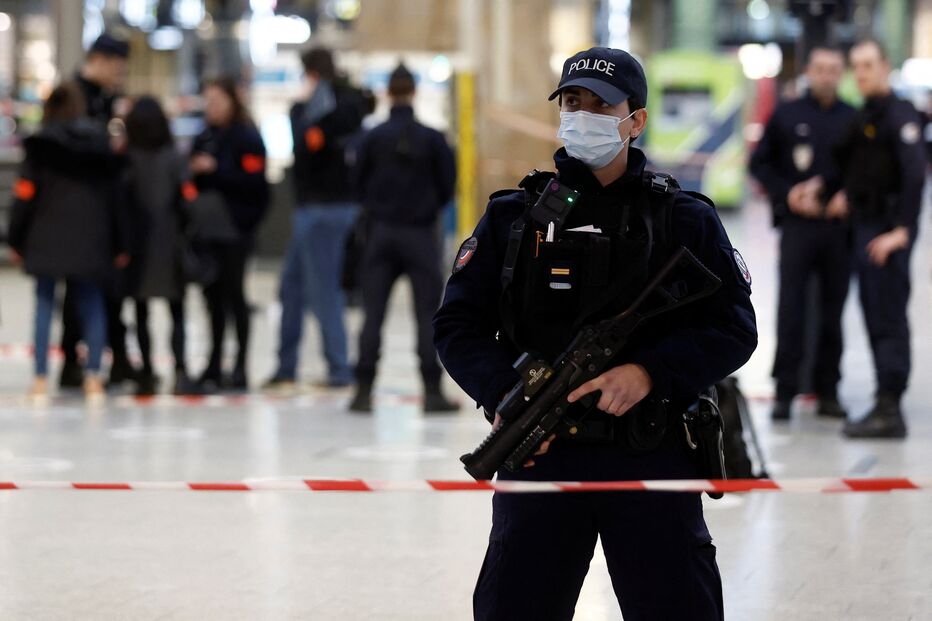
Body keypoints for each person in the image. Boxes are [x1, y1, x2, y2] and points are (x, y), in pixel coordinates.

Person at [433, 47, 757, 620]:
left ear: (636, 121)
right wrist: (504, 392)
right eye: (573, 102)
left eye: (601, 106)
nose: (582, 115)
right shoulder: (515, 217)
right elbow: (456, 324)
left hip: (650, 450)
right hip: (541, 454)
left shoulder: (683, 218)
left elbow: (734, 325)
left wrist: (650, 371)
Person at [749, 47, 856, 421]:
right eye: (820, 68)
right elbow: (759, 163)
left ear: (841, 74)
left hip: (838, 230)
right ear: (809, 71)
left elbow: (866, 170)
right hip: (797, 228)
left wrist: (849, 195)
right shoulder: (787, 114)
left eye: (834, 70)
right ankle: (785, 390)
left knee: (833, 311)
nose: (826, 75)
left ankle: (828, 390)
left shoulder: (852, 119)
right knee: (791, 309)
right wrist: (787, 194)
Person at [829, 40, 927, 439]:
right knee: (873, 315)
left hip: (887, 232)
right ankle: (884, 398)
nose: (862, 73)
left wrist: (901, 231)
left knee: (887, 318)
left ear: (886, 66)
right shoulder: (865, 115)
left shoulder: (900, 115)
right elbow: (854, 169)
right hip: (864, 228)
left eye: (869, 65)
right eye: (857, 66)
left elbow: (915, 175)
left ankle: (890, 408)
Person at [347, 64, 458, 413]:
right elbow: (447, 187)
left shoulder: (371, 137)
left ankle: (363, 391)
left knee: (373, 313)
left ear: (387, 93)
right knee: (427, 314)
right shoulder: (433, 138)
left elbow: (357, 183)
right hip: (420, 235)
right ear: (414, 92)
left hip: (380, 233)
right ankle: (432, 391)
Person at [7, 82, 127, 401]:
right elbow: (115, 198)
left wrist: (15, 238)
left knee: (45, 304)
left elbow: (25, 196)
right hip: (91, 235)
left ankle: (41, 378)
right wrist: (120, 242)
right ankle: (93, 378)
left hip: (45, 234)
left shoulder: (41, 146)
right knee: (91, 304)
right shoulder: (99, 144)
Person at [264, 47, 365, 391]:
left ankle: (339, 369)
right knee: (291, 287)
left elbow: (308, 148)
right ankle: (285, 366)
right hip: (319, 208)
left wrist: (306, 113)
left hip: (324, 209)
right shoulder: (349, 103)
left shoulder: (326, 104)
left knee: (323, 290)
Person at [61, 33, 138, 390]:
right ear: (103, 60)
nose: (120, 76)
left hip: (107, 212)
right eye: (118, 68)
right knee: (79, 291)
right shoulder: (73, 96)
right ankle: (72, 362)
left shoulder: (108, 101)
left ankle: (116, 359)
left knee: (109, 290)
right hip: (79, 211)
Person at [190, 77, 270, 392]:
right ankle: (213, 364)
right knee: (212, 299)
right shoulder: (204, 137)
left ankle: (239, 367)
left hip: (236, 231)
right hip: (207, 232)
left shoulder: (247, 138)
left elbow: (255, 184)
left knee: (235, 297)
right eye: (207, 102)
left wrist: (217, 171)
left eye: (217, 102)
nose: (211, 108)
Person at [122, 96, 197, 395]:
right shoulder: (174, 157)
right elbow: (187, 200)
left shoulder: (128, 159)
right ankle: (180, 369)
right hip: (170, 244)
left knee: (141, 311)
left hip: (138, 245)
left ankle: (147, 373)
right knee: (176, 310)